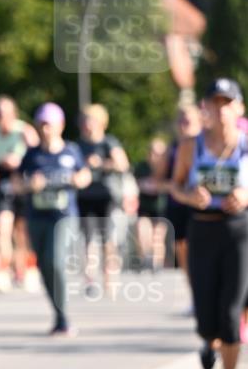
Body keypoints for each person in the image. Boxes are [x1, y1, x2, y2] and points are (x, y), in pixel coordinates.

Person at [171, 78, 248, 369]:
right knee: (206, 317)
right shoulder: (191, 146)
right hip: (202, 231)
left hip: (237, 232)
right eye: (214, 102)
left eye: (227, 103)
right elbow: (173, 185)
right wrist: (190, 195)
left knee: (231, 314)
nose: (221, 110)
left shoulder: (247, 146)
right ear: (205, 108)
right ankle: (208, 339)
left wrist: (245, 196)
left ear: (239, 108)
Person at [19, 102, 91, 336]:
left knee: (55, 262)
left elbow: (84, 175)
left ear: (60, 125)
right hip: (37, 216)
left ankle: (63, 316)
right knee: (43, 266)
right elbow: (16, 183)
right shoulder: (32, 155)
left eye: (48, 124)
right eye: (41, 124)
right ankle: (59, 315)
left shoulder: (71, 151)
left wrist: (77, 180)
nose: (44, 129)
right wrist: (30, 184)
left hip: (64, 217)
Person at [0, 96, 38, 291]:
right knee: (3, 227)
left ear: (13, 113)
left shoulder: (24, 130)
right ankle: (2, 271)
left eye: (4, 112)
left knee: (22, 232)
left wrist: (18, 160)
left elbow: (37, 155)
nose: (1, 116)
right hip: (4, 181)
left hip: (23, 180)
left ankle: (26, 270)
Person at [76, 104, 130, 295]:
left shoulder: (108, 142)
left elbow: (123, 165)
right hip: (84, 196)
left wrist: (102, 164)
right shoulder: (78, 146)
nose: (86, 124)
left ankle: (110, 278)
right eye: (83, 120)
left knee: (108, 238)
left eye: (90, 120)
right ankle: (90, 279)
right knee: (88, 238)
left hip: (106, 195)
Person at [165, 104, 202, 311]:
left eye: (188, 118)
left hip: (200, 207)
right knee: (183, 250)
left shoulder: (207, 144)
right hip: (177, 205)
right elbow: (163, 179)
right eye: (181, 119)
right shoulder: (173, 147)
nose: (184, 123)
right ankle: (194, 296)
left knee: (201, 250)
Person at [134, 137, 171, 272]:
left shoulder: (168, 167)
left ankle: (157, 264)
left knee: (158, 236)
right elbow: (138, 184)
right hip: (144, 206)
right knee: (142, 230)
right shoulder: (142, 167)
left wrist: (158, 186)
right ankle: (146, 258)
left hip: (161, 207)